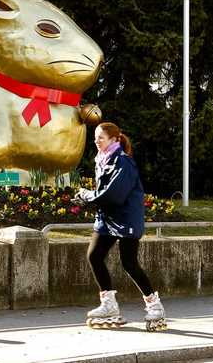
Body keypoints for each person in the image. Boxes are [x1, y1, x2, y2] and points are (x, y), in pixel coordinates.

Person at [73, 122, 167, 332]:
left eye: (101, 138)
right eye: (95, 137)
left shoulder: (123, 162)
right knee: (94, 255)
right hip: (108, 218)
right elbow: (105, 193)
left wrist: (88, 197)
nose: (97, 141)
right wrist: (88, 198)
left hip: (126, 218)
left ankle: (155, 306)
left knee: (129, 263)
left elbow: (115, 194)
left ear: (115, 140)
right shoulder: (102, 159)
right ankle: (109, 304)